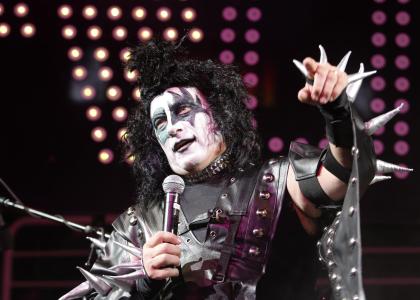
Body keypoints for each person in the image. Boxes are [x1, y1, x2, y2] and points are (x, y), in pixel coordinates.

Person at [60, 39, 378, 300]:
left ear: (219, 115)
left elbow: (342, 177)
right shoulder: (137, 225)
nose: (172, 128)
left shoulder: (278, 181)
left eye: (183, 110)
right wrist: (143, 281)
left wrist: (337, 112)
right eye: (160, 123)